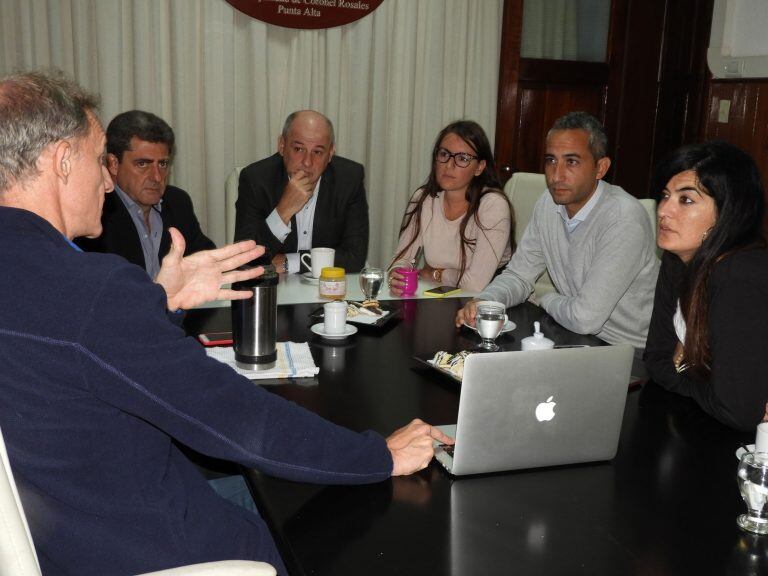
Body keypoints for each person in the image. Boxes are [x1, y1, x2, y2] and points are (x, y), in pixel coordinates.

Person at [0, 71, 450, 576]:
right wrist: (379, 454)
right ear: (63, 160)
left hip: (60, 527)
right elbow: (241, 423)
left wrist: (156, 302)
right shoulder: (91, 290)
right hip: (140, 536)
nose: (107, 179)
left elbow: (77, 361)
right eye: (98, 157)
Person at [456, 111, 659, 351]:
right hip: (575, 339)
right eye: (551, 160)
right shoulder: (548, 203)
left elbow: (585, 318)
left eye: (571, 162)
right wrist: (486, 301)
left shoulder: (623, 218)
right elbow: (519, 276)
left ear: (600, 168)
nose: (556, 175)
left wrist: (545, 299)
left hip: (630, 353)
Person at [643, 141, 768, 431]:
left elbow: (738, 410)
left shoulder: (740, 277)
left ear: (726, 213)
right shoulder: (678, 258)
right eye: (664, 196)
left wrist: (681, 365)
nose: (663, 210)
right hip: (713, 426)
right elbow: (655, 359)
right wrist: (702, 383)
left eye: (686, 200)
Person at [75, 110, 215, 279]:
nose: (157, 177)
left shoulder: (177, 202)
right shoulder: (95, 211)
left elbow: (207, 260)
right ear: (113, 164)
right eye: (142, 164)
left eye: (163, 164)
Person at [235, 110, 368, 274]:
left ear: (330, 153)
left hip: (328, 289)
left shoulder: (349, 179)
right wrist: (283, 211)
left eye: (318, 152)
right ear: (282, 146)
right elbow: (244, 259)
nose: (307, 162)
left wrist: (290, 262)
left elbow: (355, 257)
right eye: (299, 149)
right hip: (276, 289)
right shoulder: (255, 179)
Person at [388, 120, 514, 293]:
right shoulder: (424, 198)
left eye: (462, 158)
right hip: (443, 296)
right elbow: (401, 259)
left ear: (479, 167)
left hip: (493, 303)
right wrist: (397, 275)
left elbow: (475, 285)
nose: (449, 165)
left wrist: (436, 274)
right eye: (444, 154)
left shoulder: (493, 205)